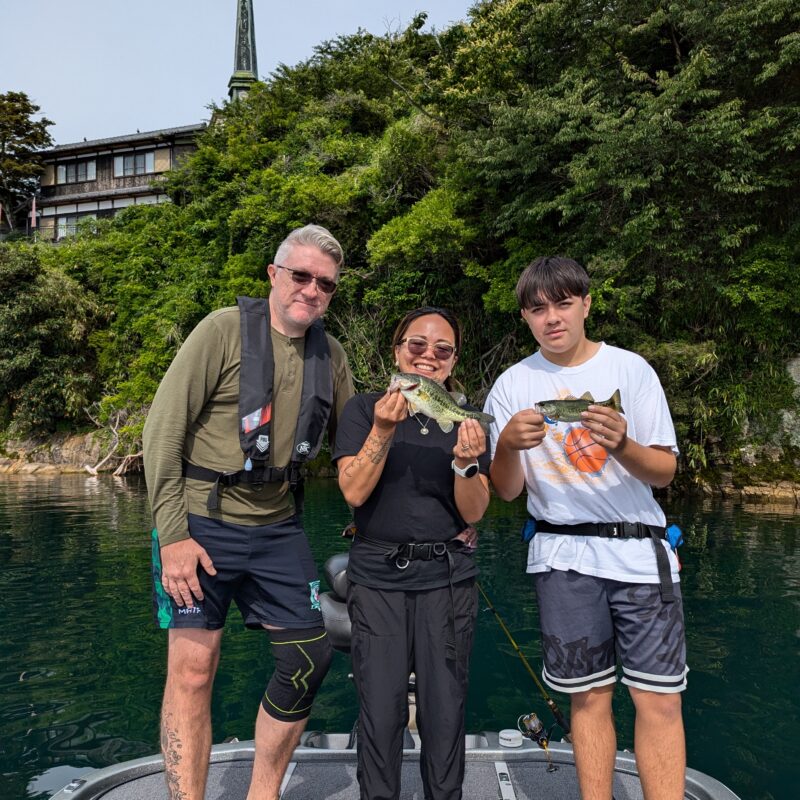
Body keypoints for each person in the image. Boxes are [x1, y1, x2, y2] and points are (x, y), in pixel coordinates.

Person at [143, 224, 354, 800]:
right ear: (274, 274)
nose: (311, 290)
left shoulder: (330, 356)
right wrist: (173, 538)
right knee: (192, 668)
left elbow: (356, 451)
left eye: (325, 284)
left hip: (277, 525)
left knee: (309, 658)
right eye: (301, 275)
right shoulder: (221, 331)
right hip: (199, 522)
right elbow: (161, 432)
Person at [484, 256, 686, 800]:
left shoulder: (631, 370)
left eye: (563, 304)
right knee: (588, 698)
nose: (552, 318)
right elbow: (506, 490)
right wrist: (505, 445)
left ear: (586, 304)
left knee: (660, 698)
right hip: (562, 558)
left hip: (642, 555)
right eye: (538, 309)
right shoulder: (512, 384)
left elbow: (664, 473)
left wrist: (622, 444)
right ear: (526, 318)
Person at [333, 307, 491, 800]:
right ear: (397, 351)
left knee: (445, 712)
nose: (427, 356)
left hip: (448, 579)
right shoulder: (363, 409)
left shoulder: (463, 421)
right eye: (416, 346)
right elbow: (353, 492)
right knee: (380, 712)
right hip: (378, 578)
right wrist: (382, 429)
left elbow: (477, 511)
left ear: (452, 362)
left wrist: (466, 464)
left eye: (441, 350)